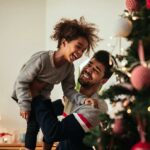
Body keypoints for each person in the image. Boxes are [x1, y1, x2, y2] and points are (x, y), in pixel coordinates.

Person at [11, 17, 99, 150]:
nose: (80, 53)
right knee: (33, 126)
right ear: (64, 42)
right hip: (25, 93)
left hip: (42, 96)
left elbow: (69, 90)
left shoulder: (69, 68)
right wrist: (24, 104)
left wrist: (82, 100)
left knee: (45, 119)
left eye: (83, 50)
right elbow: (22, 81)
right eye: (78, 47)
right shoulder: (42, 59)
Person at [30, 50, 115, 150]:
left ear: (103, 80)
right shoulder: (74, 96)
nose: (88, 70)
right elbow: (48, 114)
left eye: (96, 70)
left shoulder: (95, 107)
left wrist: (36, 93)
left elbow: (53, 132)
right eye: (89, 64)